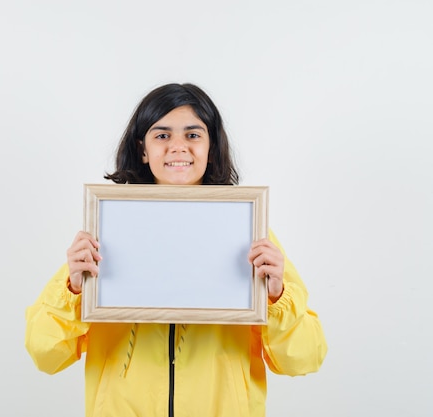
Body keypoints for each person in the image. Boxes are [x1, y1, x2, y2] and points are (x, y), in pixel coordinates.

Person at [25, 83, 327, 417]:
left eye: (194, 135)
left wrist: (276, 297)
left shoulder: (248, 231)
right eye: (162, 135)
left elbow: (305, 358)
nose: (178, 147)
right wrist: (73, 288)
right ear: (143, 149)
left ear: (211, 147)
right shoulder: (108, 230)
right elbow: (45, 353)